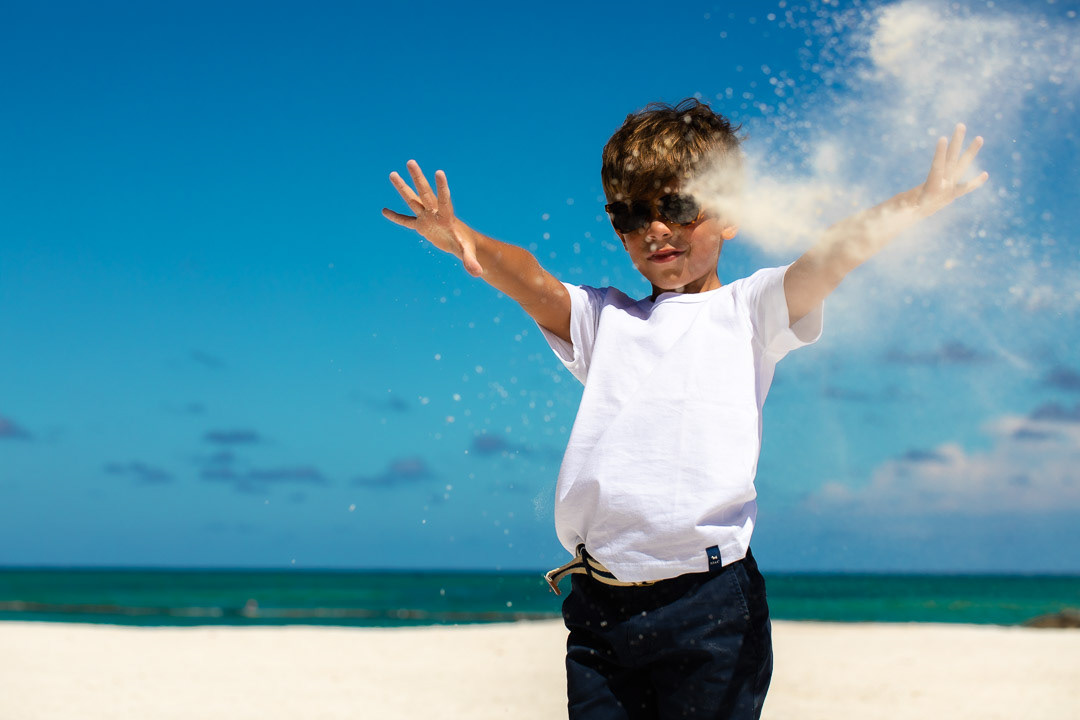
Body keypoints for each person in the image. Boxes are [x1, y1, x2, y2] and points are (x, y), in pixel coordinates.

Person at [382, 98, 987, 720]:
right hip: (600, 609)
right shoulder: (605, 320)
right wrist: (464, 241)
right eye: (629, 214)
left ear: (729, 213)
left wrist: (914, 203)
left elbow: (828, 257)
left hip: (711, 609)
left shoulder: (749, 311)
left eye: (674, 206)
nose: (654, 229)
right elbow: (531, 279)